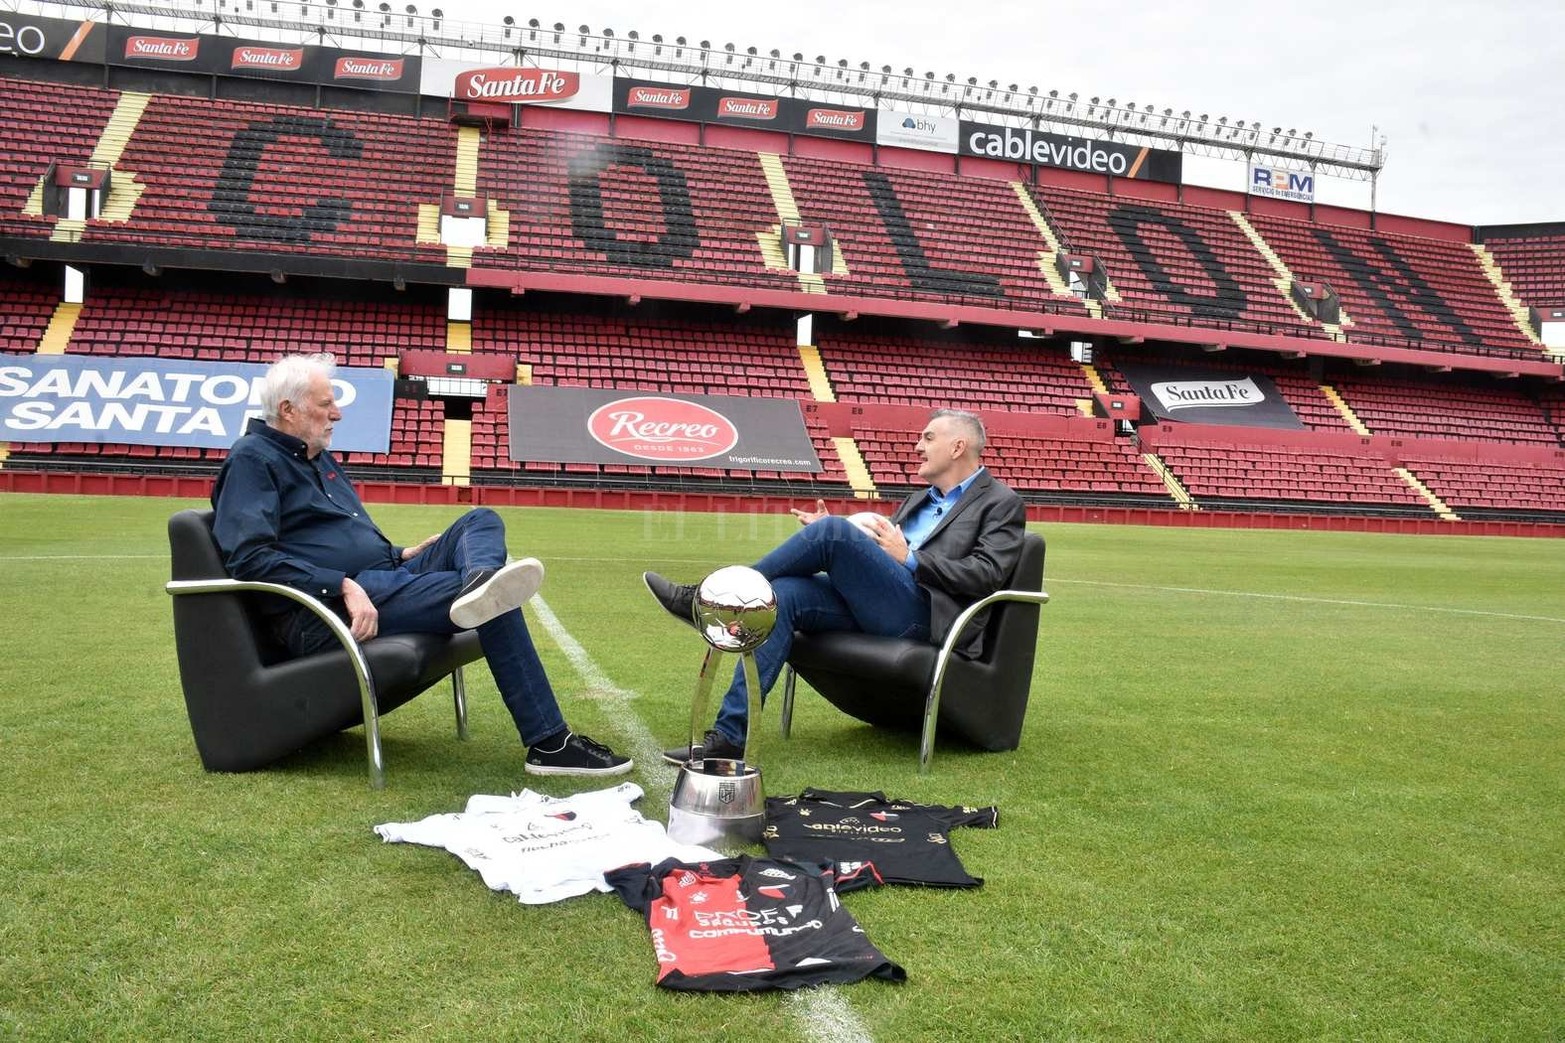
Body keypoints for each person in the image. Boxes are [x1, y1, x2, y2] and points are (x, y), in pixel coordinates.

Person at [211, 352, 631, 777]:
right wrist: (339, 584)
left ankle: (477, 581)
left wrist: (400, 554)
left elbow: (331, 536)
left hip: (381, 579)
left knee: (480, 520)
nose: (337, 413)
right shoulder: (253, 460)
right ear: (288, 409)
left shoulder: (316, 456)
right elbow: (249, 558)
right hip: (324, 610)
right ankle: (550, 743)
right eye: (326, 404)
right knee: (499, 599)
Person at [644, 408, 1027, 762]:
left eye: (928, 438)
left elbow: (986, 573)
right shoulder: (919, 500)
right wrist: (842, 536)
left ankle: (707, 600)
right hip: (886, 606)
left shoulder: (1000, 502)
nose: (917, 446)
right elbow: (883, 557)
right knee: (785, 595)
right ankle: (730, 737)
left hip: (929, 617)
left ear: (958, 446)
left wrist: (909, 557)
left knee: (832, 534)